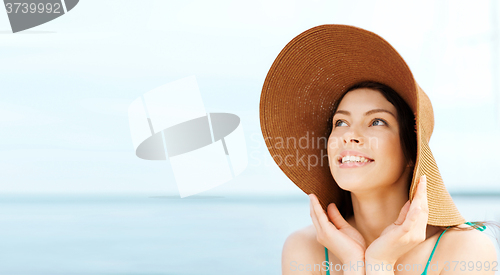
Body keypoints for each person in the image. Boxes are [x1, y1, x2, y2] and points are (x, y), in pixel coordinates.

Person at [259, 25, 499, 275]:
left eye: (377, 122)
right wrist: (354, 263)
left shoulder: (465, 249)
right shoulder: (305, 249)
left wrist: (380, 265)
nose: (349, 136)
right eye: (340, 122)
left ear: (411, 152)